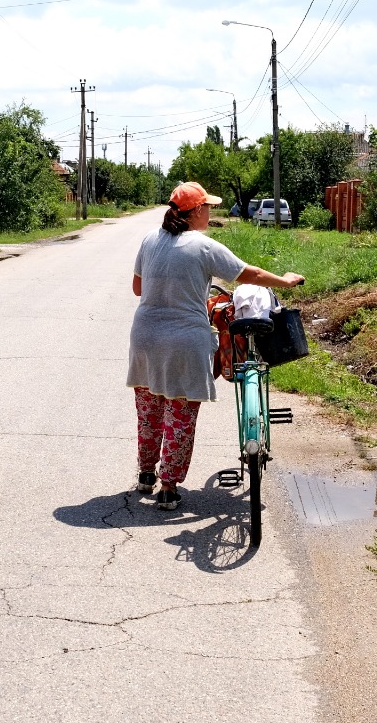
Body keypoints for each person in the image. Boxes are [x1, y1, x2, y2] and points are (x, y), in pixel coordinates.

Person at [127, 182, 303, 511]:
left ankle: (146, 474)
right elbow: (250, 274)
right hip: (184, 341)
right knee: (180, 415)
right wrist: (285, 280)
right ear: (196, 211)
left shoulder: (150, 239)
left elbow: (138, 289)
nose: (211, 212)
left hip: (144, 337)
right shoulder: (204, 246)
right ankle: (168, 488)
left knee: (149, 413)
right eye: (208, 207)